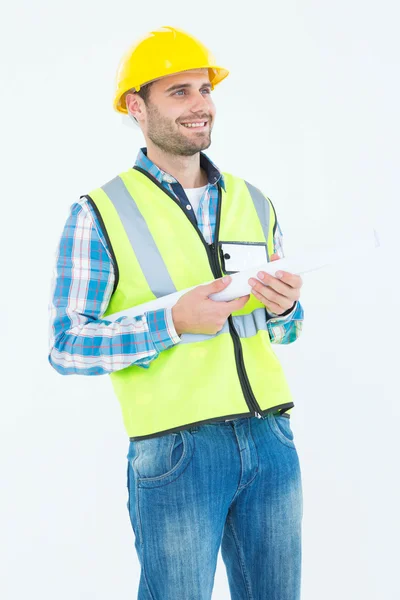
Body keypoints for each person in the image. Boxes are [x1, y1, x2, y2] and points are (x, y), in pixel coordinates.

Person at [48, 25, 305, 600]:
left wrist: (286, 308)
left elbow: (286, 329)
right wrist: (170, 324)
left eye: (204, 90)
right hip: (178, 449)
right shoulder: (100, 213)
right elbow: (65, 343)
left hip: (271, 437)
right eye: (180, 92)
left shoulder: (253, 199)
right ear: (136, 107)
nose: (200, 106)